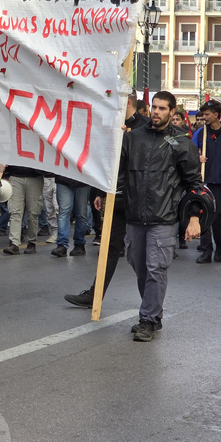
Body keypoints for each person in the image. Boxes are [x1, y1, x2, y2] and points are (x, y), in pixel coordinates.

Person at [123, 91, 203, 342]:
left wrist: (194, 217)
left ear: (172, 111)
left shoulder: (182, 142)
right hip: (134, 216)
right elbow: (120, 172)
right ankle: (153, 315)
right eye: (154, 108)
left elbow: (194, 184)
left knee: (156, 269)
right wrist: (104, 195)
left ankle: (147, 319)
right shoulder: (133, 138)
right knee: (140, 269)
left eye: (162, 109)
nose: (157, 112)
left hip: (164, 218)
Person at [64, 93, 149, 308]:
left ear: (127, 103)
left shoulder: (145, 126)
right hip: (117, 194)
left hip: (140, 198)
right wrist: (100, 192)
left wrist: (132, 138)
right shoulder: (112, 125)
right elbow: (104, 160)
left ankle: (150, 302)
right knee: (109, 247)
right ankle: (95, 294)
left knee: (140, 252)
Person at [193, 100, 221, 263]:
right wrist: (198, 158)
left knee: (217, 215)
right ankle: (206, 250)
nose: (203, 117)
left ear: (216, 115)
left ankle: (219, 245)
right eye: (202, 114)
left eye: (206, 114)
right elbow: (190, 154)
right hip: (204, 180)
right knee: (204, 213)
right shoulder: (200, 134)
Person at [3, 165, 43, 255]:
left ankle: (32, 242)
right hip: (16, 175)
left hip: (35, 176)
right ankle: (14, 243)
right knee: (15, 211)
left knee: (33, 212)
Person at [52, 174, 91, 258]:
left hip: (82, 180)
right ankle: (62, 244)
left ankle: (79, 243)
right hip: (65, 179)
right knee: (64, 212)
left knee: (80, 214)